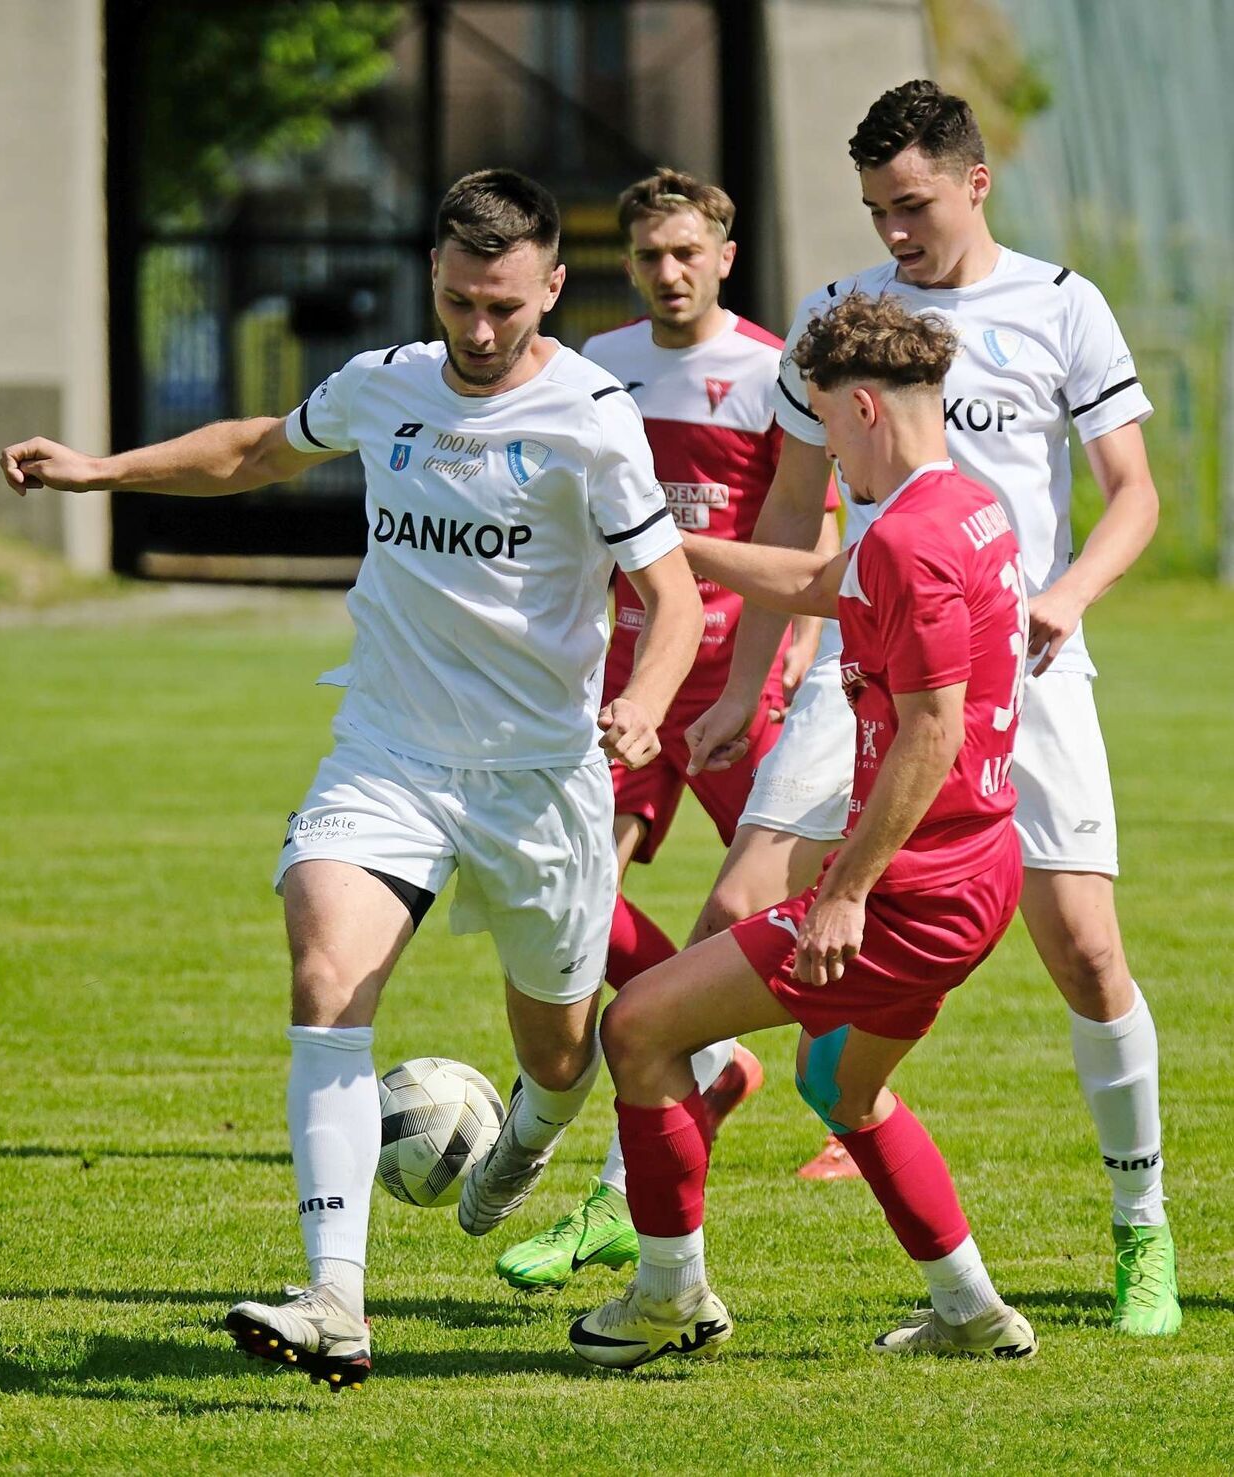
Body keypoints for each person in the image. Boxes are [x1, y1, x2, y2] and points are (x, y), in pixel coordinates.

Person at [0, 169, 705, 1389]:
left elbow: (678, 597)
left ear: (549, 287)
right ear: (430, 280)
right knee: (325, 967)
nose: (479, 334)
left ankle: (526, 1142)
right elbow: (257, 450)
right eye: (456, 304)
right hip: (388, 751)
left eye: (504, 307)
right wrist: (100, 470)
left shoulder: (594, 417)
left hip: (540, 778)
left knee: (557, 1047)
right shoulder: (384, 383)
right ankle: (335, 1296)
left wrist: (643, 701)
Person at [689, 80, 1181, 1336]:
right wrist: (749, 679)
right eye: (875, 210)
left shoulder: (1061, 304)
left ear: (975, 182)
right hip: (870, 667)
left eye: (912, 205)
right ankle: (637, 1203)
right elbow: (795, 515)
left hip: (1024, 673)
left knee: (1084, 952)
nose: (895, 232)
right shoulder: (843, 319)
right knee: (733, 909)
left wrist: (1065, 595)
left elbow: (1133, 493)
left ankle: (1141, 1231)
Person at [569, 292, 1037, 1369]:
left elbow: (929, 732)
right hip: (980, 869)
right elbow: (828, 582)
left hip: (911, 892)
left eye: (824, 425)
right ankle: (971, 1313)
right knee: (844, 1087)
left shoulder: (915, 538)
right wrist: (668, 548)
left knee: (639, 1028)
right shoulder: (962, 505)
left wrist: (845, 890)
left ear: (863, 407)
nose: (823, 451)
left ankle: (666, 1297)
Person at [494, 168, 840, 1294]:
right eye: (649, 255)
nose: (669, 272)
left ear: (725, 256)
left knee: (798, 907)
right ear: (627, 262)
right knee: (574, 890)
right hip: (634, 679)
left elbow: (805, 533)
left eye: (688, 252)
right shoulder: (596, 368)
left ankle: (844, 1099)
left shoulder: (771, 367)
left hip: (741, 686)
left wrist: (772, 673)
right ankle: (704, 1062)